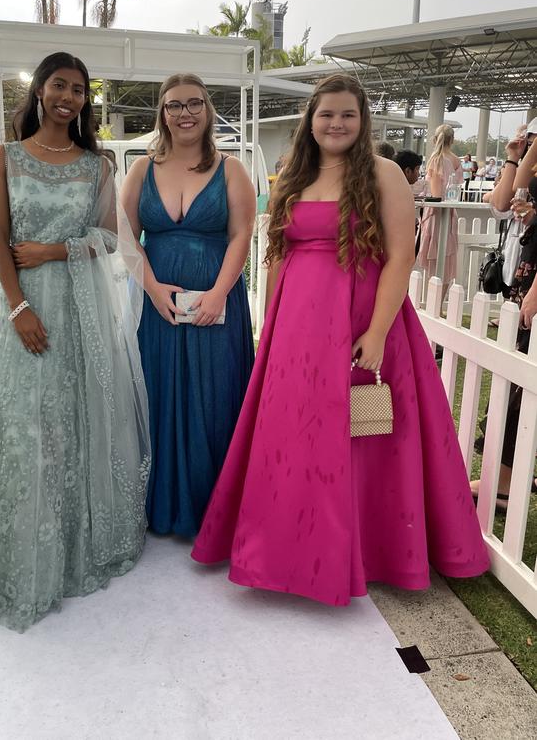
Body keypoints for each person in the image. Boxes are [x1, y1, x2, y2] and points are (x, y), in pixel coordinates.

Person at [191, 73, 489, 606]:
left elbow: (401, 255)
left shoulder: (384, 173)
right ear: (311, 118)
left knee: (361, 435)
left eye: (347, 114)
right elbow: (280, 253)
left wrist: (376, 332)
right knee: (294, 436)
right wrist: (272, 322)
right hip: (296, 327)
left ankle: (364, 550)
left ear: (363, 119)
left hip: (361, 320)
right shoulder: (294, 174)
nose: (336, 123)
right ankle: (285, 546)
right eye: (326, 114)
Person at [0, 52, 151, 631]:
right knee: (23, 426)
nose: (70, 97)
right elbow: (0, 240)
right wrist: (20, 307)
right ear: (39, 91)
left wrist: (56, 251)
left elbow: (110, 240)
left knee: (70, 423)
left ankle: (70, 547)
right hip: (25, 311)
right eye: (60, 85)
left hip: (78, 309)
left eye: (80, 90)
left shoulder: (96, 166)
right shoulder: (4, 157)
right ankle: (17, 555)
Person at [120, 73, 256, 537]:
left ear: (209, 110)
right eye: (175, 105)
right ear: (162, 112)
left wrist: (219, 292)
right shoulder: (141, 169)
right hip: (157, 304)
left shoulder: (231, 169)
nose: (185, 113)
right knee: (158, 394)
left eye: (195, 103)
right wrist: (153, 288)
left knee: (215, 396)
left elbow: (241, 234)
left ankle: (213, 510)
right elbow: (123, 236)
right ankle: (163, 506)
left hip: (217, 301)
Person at [471, 121, 537, 510]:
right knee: (519, 373)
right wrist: (516, 154)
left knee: (523, 381)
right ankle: (513, 473)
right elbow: (504, 198)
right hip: (526, 268)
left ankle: (508, 483)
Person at [416, 124, 463, 286]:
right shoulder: (457, 160)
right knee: (446, 259)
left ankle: (432, 303)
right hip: (450, 214)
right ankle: (438, 304)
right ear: (453, 140)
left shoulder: (436, 160)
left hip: (436, 215)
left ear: (435, 139)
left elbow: (436, 195)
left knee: (434, 261)